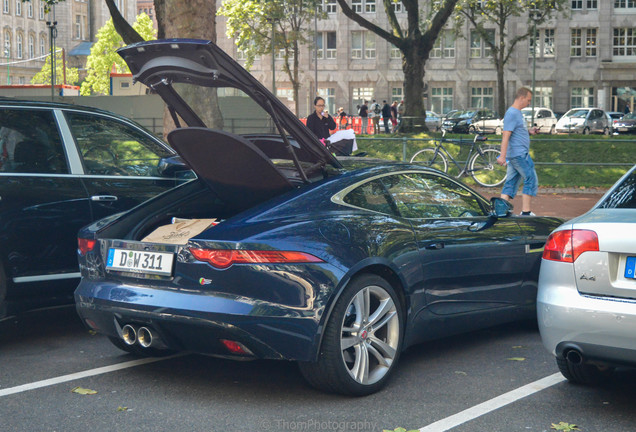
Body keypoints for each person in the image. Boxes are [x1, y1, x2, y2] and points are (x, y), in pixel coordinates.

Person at [496, 87, 539, 216]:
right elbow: (506, 135)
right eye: (528, 100)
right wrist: (502, 156)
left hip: (516, 154)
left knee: (511, 182)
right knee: (531, 178)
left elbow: (517, 131)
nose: (529, 103)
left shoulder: (517, 113)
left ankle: (501, 212)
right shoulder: (512, 113)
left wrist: (529, 131)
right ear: (521, 98)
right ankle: (526, 212)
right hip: (519, 155)